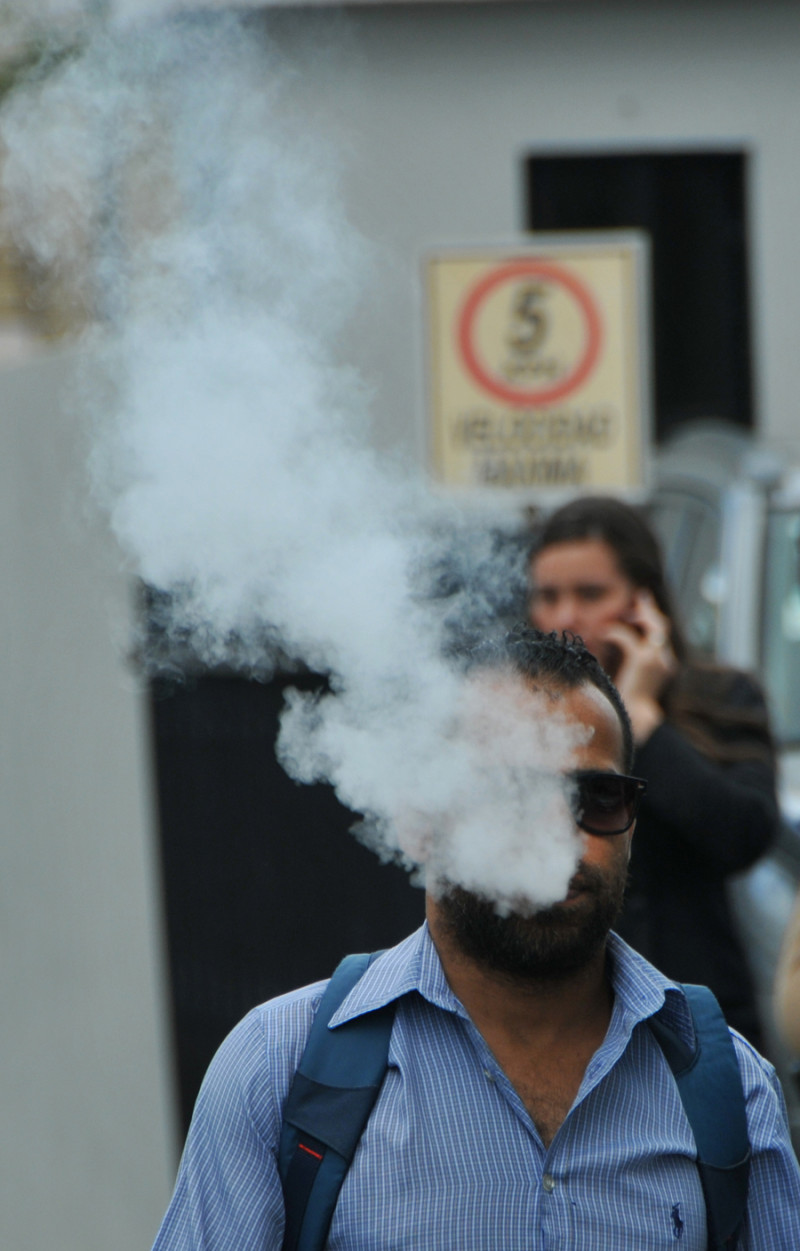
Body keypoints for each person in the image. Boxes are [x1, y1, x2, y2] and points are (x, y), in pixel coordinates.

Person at [152, 628, 800, 1250]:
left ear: (630, 824)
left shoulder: (731, 1087)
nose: (559, 836)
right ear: (418, 819)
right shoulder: (276, 1070)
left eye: (597, 796)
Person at [528, 496, 779, 1048]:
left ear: (643, 601)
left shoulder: (718, 698)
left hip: (692, 1014)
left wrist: (640, 715)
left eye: (590, 594)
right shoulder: (512, 716)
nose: (565, 616)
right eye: (548, 596)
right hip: (561, 1020)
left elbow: (743, 834)